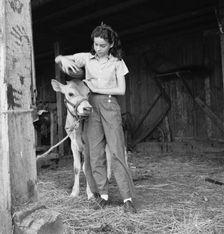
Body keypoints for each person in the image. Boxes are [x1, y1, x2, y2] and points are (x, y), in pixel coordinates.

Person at [55, 23, 137, 213]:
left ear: (111, 44)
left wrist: (95, 88)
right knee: (94, 153)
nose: (98, 48)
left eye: (102, 45)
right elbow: (60, 58)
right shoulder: (87, 58)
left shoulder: (117, 63)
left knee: (117, 151)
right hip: (90, 108)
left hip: (109, 105)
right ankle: (103, 196)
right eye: (95, 44)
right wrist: (62, 60)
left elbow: (121, 90)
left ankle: (127, 198)